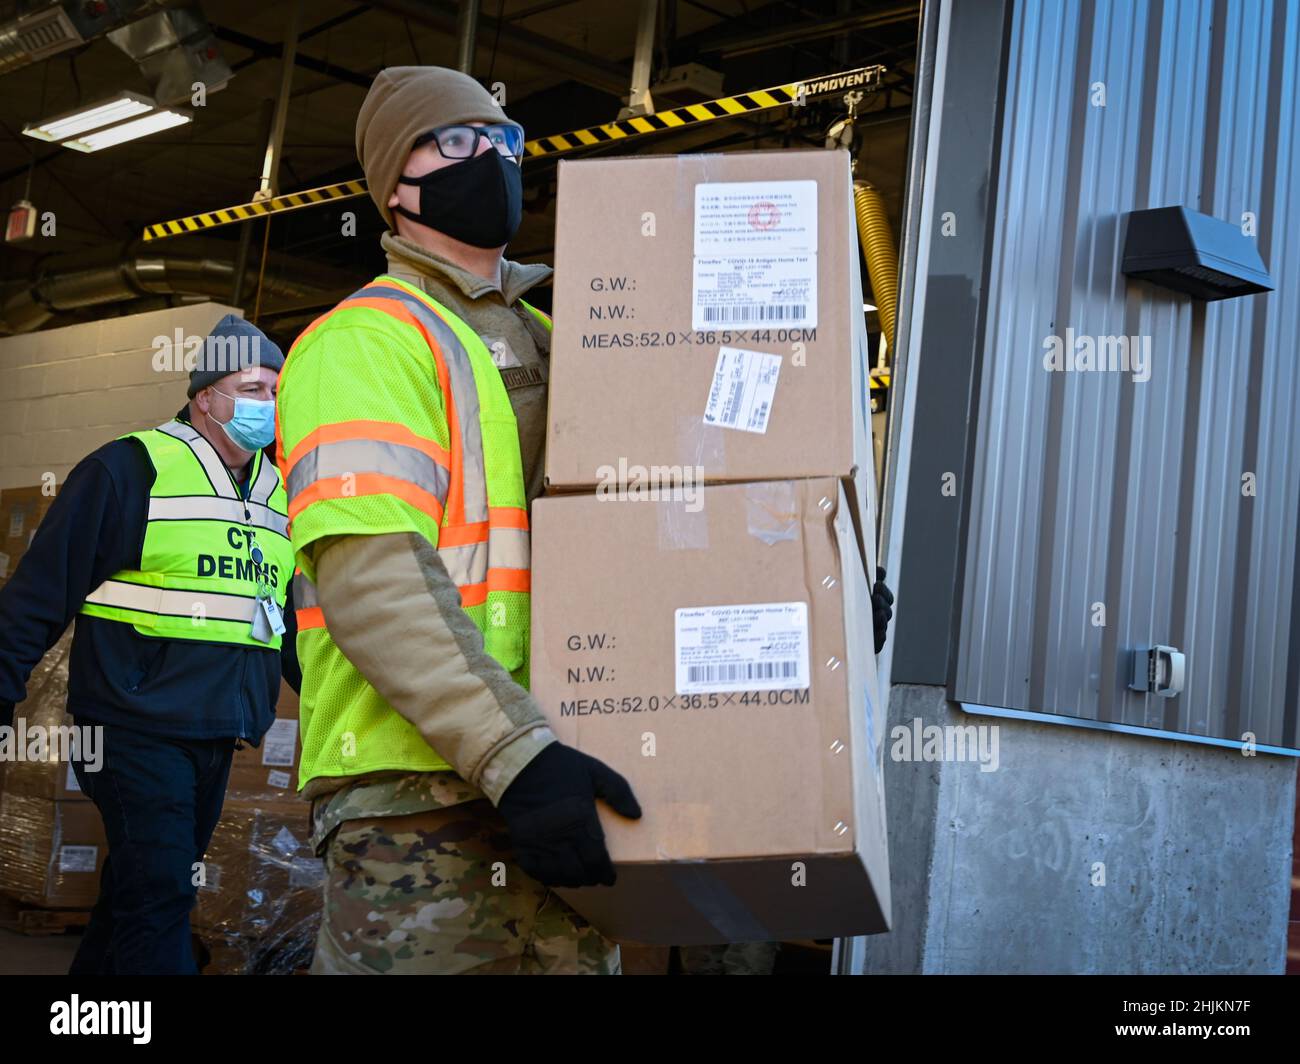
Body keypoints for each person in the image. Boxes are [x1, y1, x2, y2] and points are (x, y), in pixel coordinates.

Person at [277, 66, 640, 976]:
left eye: (503, 140)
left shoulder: (564, 339)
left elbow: (655, 529)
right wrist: (514, 753)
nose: (492, 157)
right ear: (394, 186)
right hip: (420, 801)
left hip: (564, 778)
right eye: (456, 141)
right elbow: (372, 578)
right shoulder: (366, 342)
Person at [0, 315, 298, 974]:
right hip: (131, 725)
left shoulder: (279, 492)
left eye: (277, 391)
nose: (267, 406)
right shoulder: (129, 468)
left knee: (137, 895)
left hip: (219, 729)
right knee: (162, 893)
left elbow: (280, 618)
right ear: (204, 398)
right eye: (252, 389)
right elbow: (40, 592)